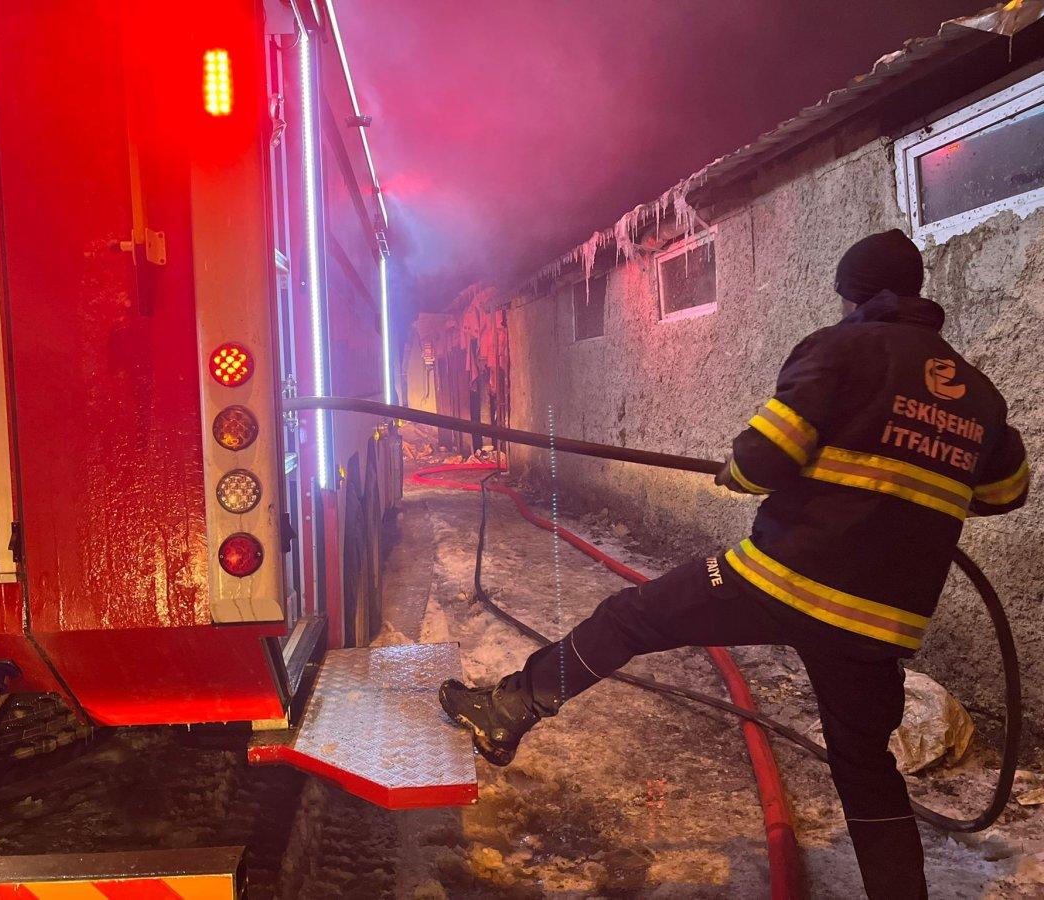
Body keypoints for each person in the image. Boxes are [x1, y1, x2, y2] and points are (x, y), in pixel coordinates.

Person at [439, 229, 1030, 899]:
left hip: (784, 580)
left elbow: (764, 459)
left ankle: (510, 709)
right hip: (881, 622)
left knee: (630, 617)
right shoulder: (978, 395)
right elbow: (1005, 494)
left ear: (854, 296)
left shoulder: (840, 350)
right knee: (866, 770)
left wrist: (737, 471)